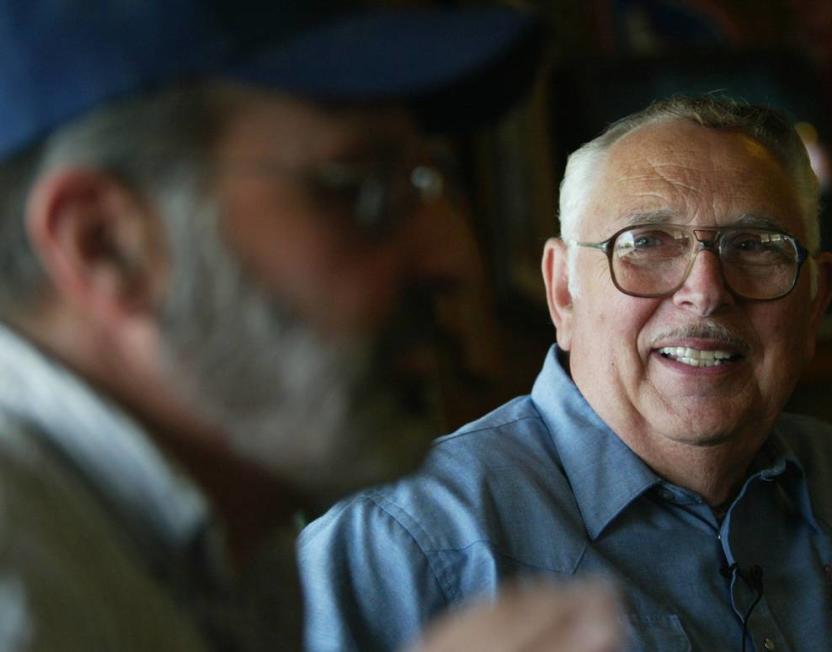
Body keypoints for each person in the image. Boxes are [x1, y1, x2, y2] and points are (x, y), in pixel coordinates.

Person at [0, 1, 625, 650]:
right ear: (107, 245)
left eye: (427, 183)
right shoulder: (16, 579)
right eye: (362, 190)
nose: (454, 257)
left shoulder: (242, 538)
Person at [299, 95, 832, 651]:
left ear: (815, 301)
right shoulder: (401, 547)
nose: (704, 291)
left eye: (755, 247)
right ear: (563, 291)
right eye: (645, 243)